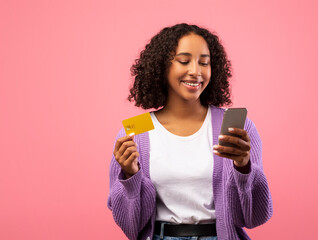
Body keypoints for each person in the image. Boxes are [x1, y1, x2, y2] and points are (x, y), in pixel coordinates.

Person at [107, 23, 273, 240]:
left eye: (204, 63)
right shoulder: (136, 130)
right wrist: (130, 177)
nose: (196, 71)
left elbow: (254, 217)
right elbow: (130, 226)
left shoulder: (234, 127)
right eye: (184, 61)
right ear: (161, 66)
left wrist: (243, 168)